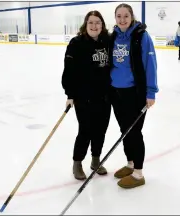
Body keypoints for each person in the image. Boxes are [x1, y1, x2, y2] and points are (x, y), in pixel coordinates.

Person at [109, 3, 159, 189]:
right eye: (119, 16)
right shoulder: (113, 36)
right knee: (125, 131)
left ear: (132, 17)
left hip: (135, 93)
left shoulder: (141, 36)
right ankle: (130, 164)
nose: (122, 20)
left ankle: (138, 173)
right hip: (116, 92)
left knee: (135, 132)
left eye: (125, 16)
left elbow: (150, 64)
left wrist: (151, 92)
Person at [61, 10, 111, 180]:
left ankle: (96, 160)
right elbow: (69, 71)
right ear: (85, 24)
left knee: (101, 130)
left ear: (102, 25)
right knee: (85, 131)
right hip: (84, 97)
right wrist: (70, 94)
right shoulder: (76, 43)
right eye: (91, 22)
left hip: (104, 96)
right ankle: (77, 162)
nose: (94, 26)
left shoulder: (107, 41)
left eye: (98, 22)